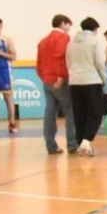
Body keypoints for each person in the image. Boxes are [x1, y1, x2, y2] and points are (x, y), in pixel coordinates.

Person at [67, 16, 107, 156]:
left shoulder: (71, 42)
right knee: (95, 112)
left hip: (74, 81)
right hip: (92, 80)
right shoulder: (95, 41)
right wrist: (104, 77)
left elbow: (68, 61)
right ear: (95, 29)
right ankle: (87, 140)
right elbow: (100, 61)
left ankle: (81, 143)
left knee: (80, 113)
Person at [35, 15, 75, 154]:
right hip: (60, 80)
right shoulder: (63, 38)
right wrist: (61, 76)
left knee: (49, 113)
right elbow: (60, 56)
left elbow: (38, 64)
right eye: (69, 25)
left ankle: (51, 145)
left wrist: (45, 77)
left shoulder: (43, 41)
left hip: (46, 80)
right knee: (69, 111)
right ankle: (72, 144)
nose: (69, 28)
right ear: (63, 23)